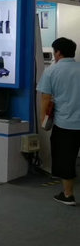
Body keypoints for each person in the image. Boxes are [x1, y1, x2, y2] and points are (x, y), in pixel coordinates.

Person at [37, 37, 80, 206]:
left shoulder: (51, 71)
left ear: (58, 52)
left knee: (65, 159)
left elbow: (45, 98)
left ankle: (68, 195)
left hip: (65, 124)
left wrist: (44, 122)